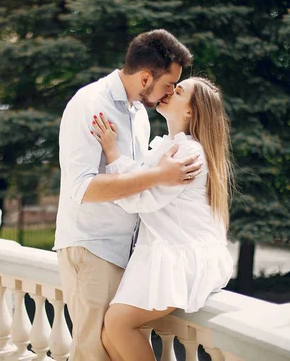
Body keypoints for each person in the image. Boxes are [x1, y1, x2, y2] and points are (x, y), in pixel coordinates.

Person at [54, 29, 201, 361]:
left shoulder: (138, 115)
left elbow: (131, 180)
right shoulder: (91, 104)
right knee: (92, 353)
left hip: (128, 254)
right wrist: (160, 175)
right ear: (146, 77)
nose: (168, 94)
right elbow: (83, 188)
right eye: (168, 85)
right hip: (93, 249)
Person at [90, 77, 234, 361]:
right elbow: (141, 178)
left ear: (191, 110)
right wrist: (115, 153)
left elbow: (141, 197)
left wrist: (111, 155)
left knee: (118, 324)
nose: (169, 91)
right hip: (161, 251)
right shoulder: (171, 145)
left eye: (178, 91)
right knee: (109, 333)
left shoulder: (189, 152)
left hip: (179, 257)